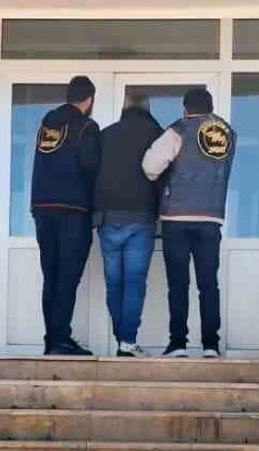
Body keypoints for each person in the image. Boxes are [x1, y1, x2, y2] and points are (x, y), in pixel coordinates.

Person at [142, 87, 237, 359]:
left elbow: (150, 166)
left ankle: (178, 343)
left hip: (177, 218)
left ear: (185, 108)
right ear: (210, 107)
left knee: (178, 284)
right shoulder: (228, 133)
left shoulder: (179, 130)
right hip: (211, 218)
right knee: (208, 284)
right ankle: (211, 345)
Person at [31, 75, 102, 356]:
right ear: (89, 99)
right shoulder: (86, 127)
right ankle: (61, 339)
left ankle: (52, 338)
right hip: (72, 211)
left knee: (51, 276)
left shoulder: (47, 127)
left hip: (43, 209)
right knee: (67, 277)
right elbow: (91, 169)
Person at [93, 93, 163, 358]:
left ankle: (122, 340)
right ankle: (127, 342)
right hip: (141, 218)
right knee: (134, 282)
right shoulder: (157, 135)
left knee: (114, 283)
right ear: (148, 109)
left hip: (108, 218)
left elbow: (91, 172)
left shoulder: (105, 135)